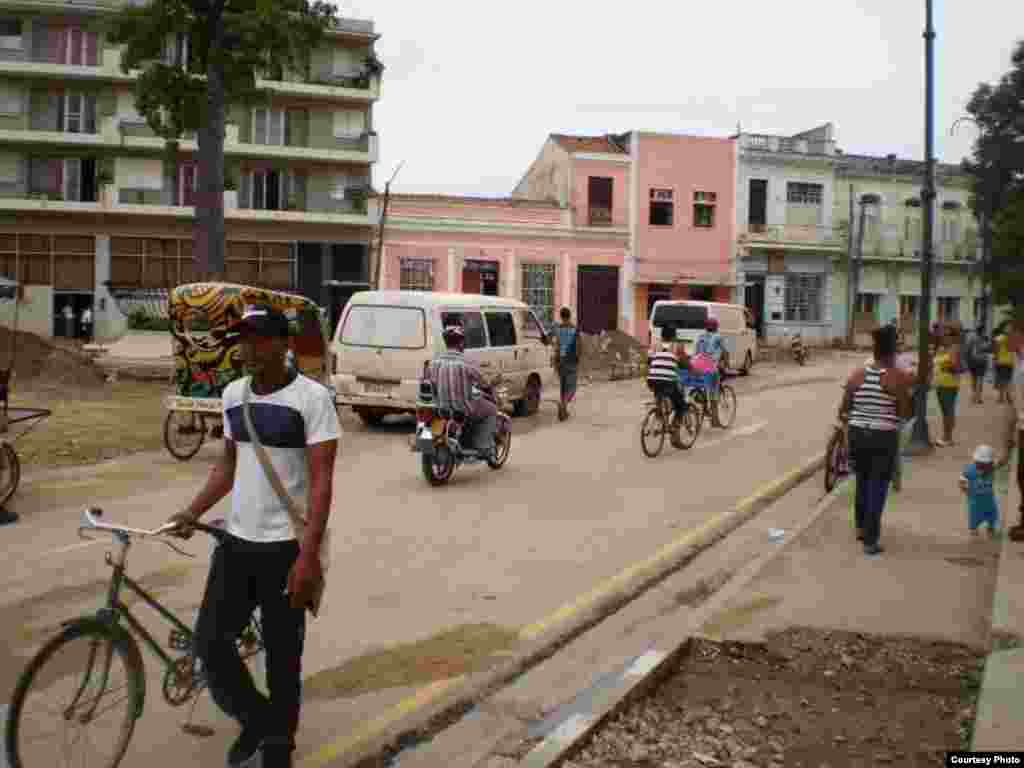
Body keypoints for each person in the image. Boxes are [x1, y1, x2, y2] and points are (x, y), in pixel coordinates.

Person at [167, 304, 340, 768]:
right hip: (237, 545)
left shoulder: (312, 399)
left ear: (283, 345)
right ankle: (259, 718)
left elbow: (322, 482)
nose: (248, 348)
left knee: (284, 656)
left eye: (259, 339)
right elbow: (228, 464)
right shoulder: (233, 395)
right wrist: (193, 510)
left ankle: (278, 748)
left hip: (286, 548)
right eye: (243, 339)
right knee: (210, 643)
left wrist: (307, 558)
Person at [839, 324, 914, 556]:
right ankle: (870, 541)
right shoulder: (898, 378)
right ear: (893, 352)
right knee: (878, 486)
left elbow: (843, 410)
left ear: (874, 350)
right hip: (883, 437)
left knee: (862, 481)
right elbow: (904, 413)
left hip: (857, 433)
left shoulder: (857, 375)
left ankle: (861, 528)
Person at [425, 321, 498, 459]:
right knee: (491, 410)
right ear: (461, 343)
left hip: (440, 409)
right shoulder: (466, 362)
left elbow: (429, 384)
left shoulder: (434, 362)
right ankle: (483, 446)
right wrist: (489, 386)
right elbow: (483, 382)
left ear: (446, 342)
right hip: (463, 408)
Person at [646, 324, 690, 448]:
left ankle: (659, 415)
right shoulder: (677, 346)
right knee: (681, 406)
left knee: (660, 395)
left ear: (661, 335)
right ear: (674, 335)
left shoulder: (655, 344)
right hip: (669, 380)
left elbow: (649, 360)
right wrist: (691, 368)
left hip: (652, 379)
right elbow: (684, 362)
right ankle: (675, 434)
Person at [960, 444, 999, 539]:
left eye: (986, 464)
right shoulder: (970, 469)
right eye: (980, 463)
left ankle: (991, 526)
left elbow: (1000, 463)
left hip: (989, 497)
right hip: (975, 498)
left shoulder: (991, 468)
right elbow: (962, 479)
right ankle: (974, 528)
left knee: (992, 512)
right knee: (974, 514)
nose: (983, 466)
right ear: (975, 461)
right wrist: (964, 488)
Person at [933, 324, 963, 447]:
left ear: (953, 336)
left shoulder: (954, 348)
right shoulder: (943, 348)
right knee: (946, 410)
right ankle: (946, 436)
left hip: (948, 384)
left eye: (946, 335)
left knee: (948, 411)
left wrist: (944, 366)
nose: (943, 336)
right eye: (943, 334)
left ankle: (947, 437)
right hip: (942, 383)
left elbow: (955, 366)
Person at [553, 306, 580, 422]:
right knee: (572, 387)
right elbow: (579, 346)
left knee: (563, 386)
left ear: (561, 316)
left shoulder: (557, 329)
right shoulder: (574, 329)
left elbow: (550, 341)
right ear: (570, 316)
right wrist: (578, 358)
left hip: (560, 361)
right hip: (571, 361)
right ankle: (564, 403)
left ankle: (564, 412)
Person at [965, 325, 990, 405]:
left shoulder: (971, 338)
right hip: (982, 360)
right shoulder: (985, 338)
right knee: (980, 379)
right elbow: (988, 349)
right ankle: (978, 397)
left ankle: (973, 396)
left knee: (973, 379)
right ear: (983, 331)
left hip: (973, 360)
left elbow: (967, 349)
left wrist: (966, 360)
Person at [993, 322, 1014, 404]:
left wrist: (995, 359)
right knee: (1008, 380)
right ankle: (1009, 397)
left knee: (1001, 379)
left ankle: (1001, 397)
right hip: (1010, 362)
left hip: (1001, 361)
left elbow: (996, 350)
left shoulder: (999, 338)